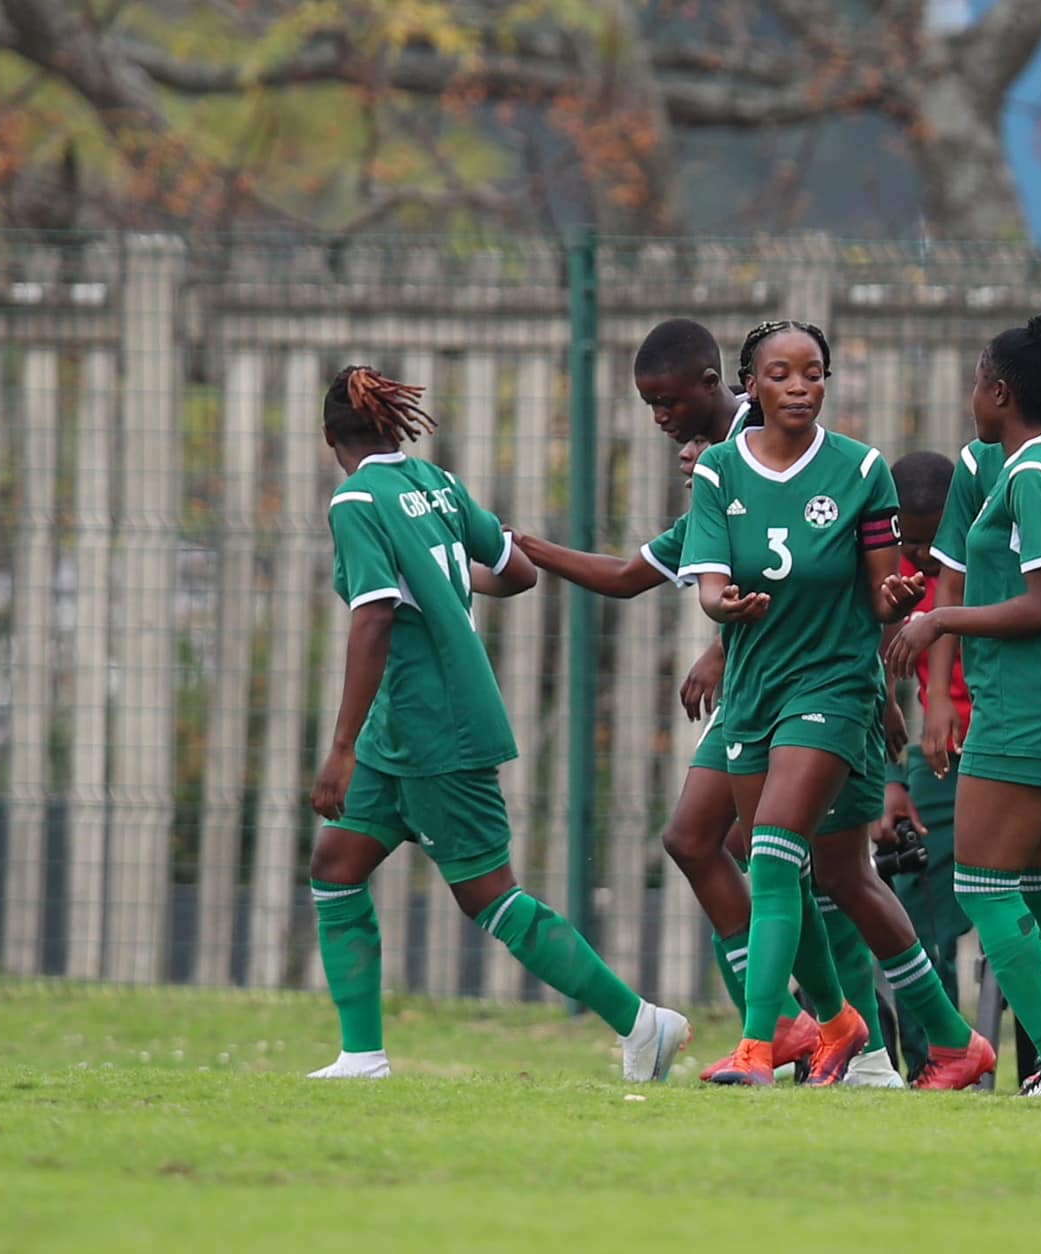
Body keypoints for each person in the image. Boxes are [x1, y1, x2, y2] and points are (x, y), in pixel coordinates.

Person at [305, 365, 688, 1082]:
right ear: (394, 427)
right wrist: (443, 581)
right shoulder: (437, 485)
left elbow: (374, 619)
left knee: (491, 896)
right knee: (335, 867)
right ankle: (361, 1056)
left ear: (330, 437)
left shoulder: (355, 500)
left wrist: (340, 749)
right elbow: (517, 573)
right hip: (406, 726)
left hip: (432, 726)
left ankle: (643, 1023)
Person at [518, 318, 867, 1083]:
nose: (661, 419)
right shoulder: (717, 468)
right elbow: (661, 572)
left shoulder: (772, 446)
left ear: (717, 385)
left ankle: (808, 1038)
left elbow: (799, 562)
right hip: (758, 682)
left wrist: (717, 643)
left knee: (808, 865)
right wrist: (533, 548)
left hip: (811, 682)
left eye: (667, 401)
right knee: (699, 840)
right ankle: (812, 1024)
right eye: (649, 405)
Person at [683, 320, 992, 1089]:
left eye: (813, 373)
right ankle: (916, 1038)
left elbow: (885, 588)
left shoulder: (860, 470)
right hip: (757, 689)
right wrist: (723, 610)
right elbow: (711, 583)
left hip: (834, 686)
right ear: (750, 385)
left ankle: (759, 1046)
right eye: (781, 374)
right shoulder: (719, 471)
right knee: (836, 872)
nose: (799, 387)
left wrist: (894, 596)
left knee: (775, 851)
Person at [887, 317, 1041, 1098]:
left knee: (983, 886)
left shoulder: (1029, 479)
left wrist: (941, 620)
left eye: (977, 381)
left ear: (1001, 392)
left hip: (1030, 707)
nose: (971, 397)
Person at [879, 451, 978, 1079]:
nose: (919, 551)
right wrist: (891, 781)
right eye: (906, 537)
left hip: (998, 744)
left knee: (1018, 903)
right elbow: (877, 675)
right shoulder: (890, 574)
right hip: (934, 759)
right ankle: (932, 1062)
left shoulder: (986, 558)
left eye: (931, 537)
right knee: (915, 903)